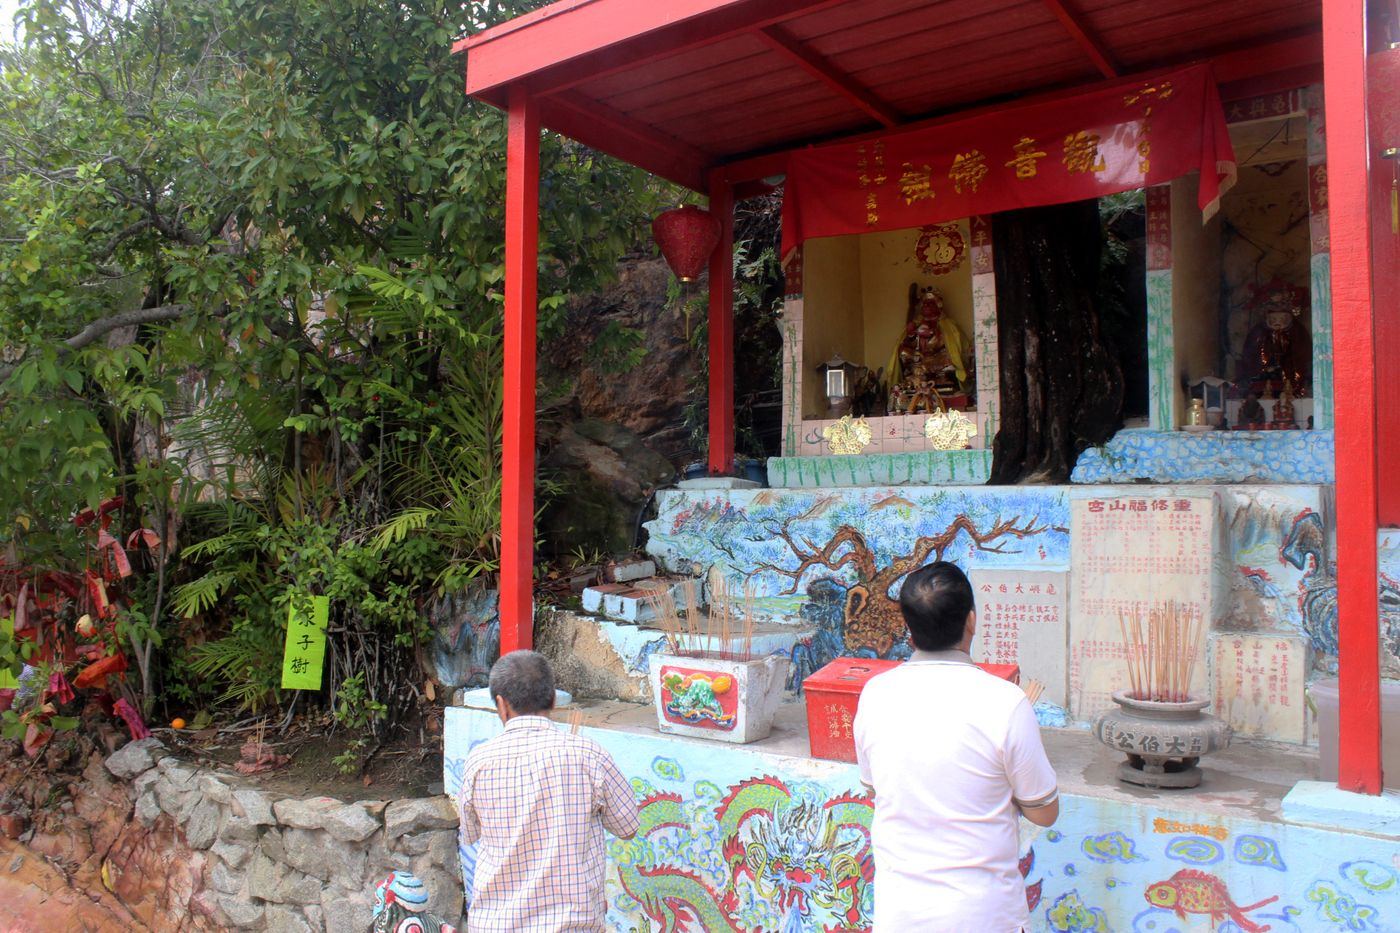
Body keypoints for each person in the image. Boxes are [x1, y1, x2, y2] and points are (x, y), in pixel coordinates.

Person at [854, 562, 1058, 932]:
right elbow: (1044, 812)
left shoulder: (875, 694)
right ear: (971, 621)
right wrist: (1004, 792)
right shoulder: (1007, 703)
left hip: (901, 914)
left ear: (908, 629)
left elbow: (874, 788)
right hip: (984, 916)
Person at [456, 650, 640, 932]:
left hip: (495, 924)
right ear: (553, 698)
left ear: (501, 705)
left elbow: (470, 832)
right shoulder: (587, 754)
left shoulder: (479, 762)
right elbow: (628, 826)